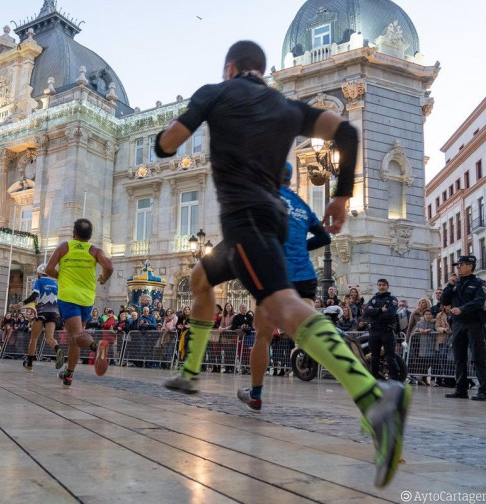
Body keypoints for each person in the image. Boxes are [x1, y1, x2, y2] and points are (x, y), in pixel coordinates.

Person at [154, 40, 409, 488]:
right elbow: (347, 134)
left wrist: (165, 138)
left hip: (247, 220)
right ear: (263, 69)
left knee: (284, 308)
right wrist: (342, 195)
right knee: (199, 279)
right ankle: (190, 372)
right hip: (251, 227)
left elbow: (167, 144)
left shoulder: (215, 92)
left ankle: (373, 395)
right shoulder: (286, 106)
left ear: (230, 66)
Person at [237, 162, 330, 412]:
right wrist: (301, 248)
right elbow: (324, 237)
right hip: (305, 278)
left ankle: (255, 395)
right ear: (290, 179)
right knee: (308, 331)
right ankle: (347, 359)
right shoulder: (301, 205)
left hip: (276, 276)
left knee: (263, 336)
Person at [45, 218, 113, 387]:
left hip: (68, 297)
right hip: (87, 299)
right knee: (75, 337)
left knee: (76, 335)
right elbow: (109, 267)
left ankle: (96, 347)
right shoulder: (94, 250)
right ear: (90, 236)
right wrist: (103, 279)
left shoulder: (64, 247)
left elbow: (48, 269)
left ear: (73, 233)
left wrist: (60, 276)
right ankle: (69, 375)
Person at [442, 255, 486, 400]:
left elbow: (479, 301)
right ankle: (460, 389)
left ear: (470, 266)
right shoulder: (455, 283)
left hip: (474, 324)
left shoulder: (478, 283)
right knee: (459, 358)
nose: (458, 267)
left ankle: (484, 391)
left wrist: (462, 309)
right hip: (458, 324)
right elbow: (444, 300)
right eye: (458, 264)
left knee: (478, 358)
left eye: (461, 264)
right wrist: (449, 286)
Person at [20, 263, 65, 371]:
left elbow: (34, 295)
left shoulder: (39, 281)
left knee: (34, 338)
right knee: (49, 338)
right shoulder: (55, 283)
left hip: (41, 312)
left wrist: (22, 304)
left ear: (40, 273)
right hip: (54, 312)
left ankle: (29, 364)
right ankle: (58, 349)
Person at [363, 279, 401, 381]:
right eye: (379, 285)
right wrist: (380, 310)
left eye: (383, 285)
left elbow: (390, 314)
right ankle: (374, 377)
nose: (381, 287)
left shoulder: (392, 299)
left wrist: (374, 314)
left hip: (387, 331)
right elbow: (366, 311)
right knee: (374, 356)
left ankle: (394, 378)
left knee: (389, 355)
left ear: (387, 286)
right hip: (374, 331)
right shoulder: (374, 299)